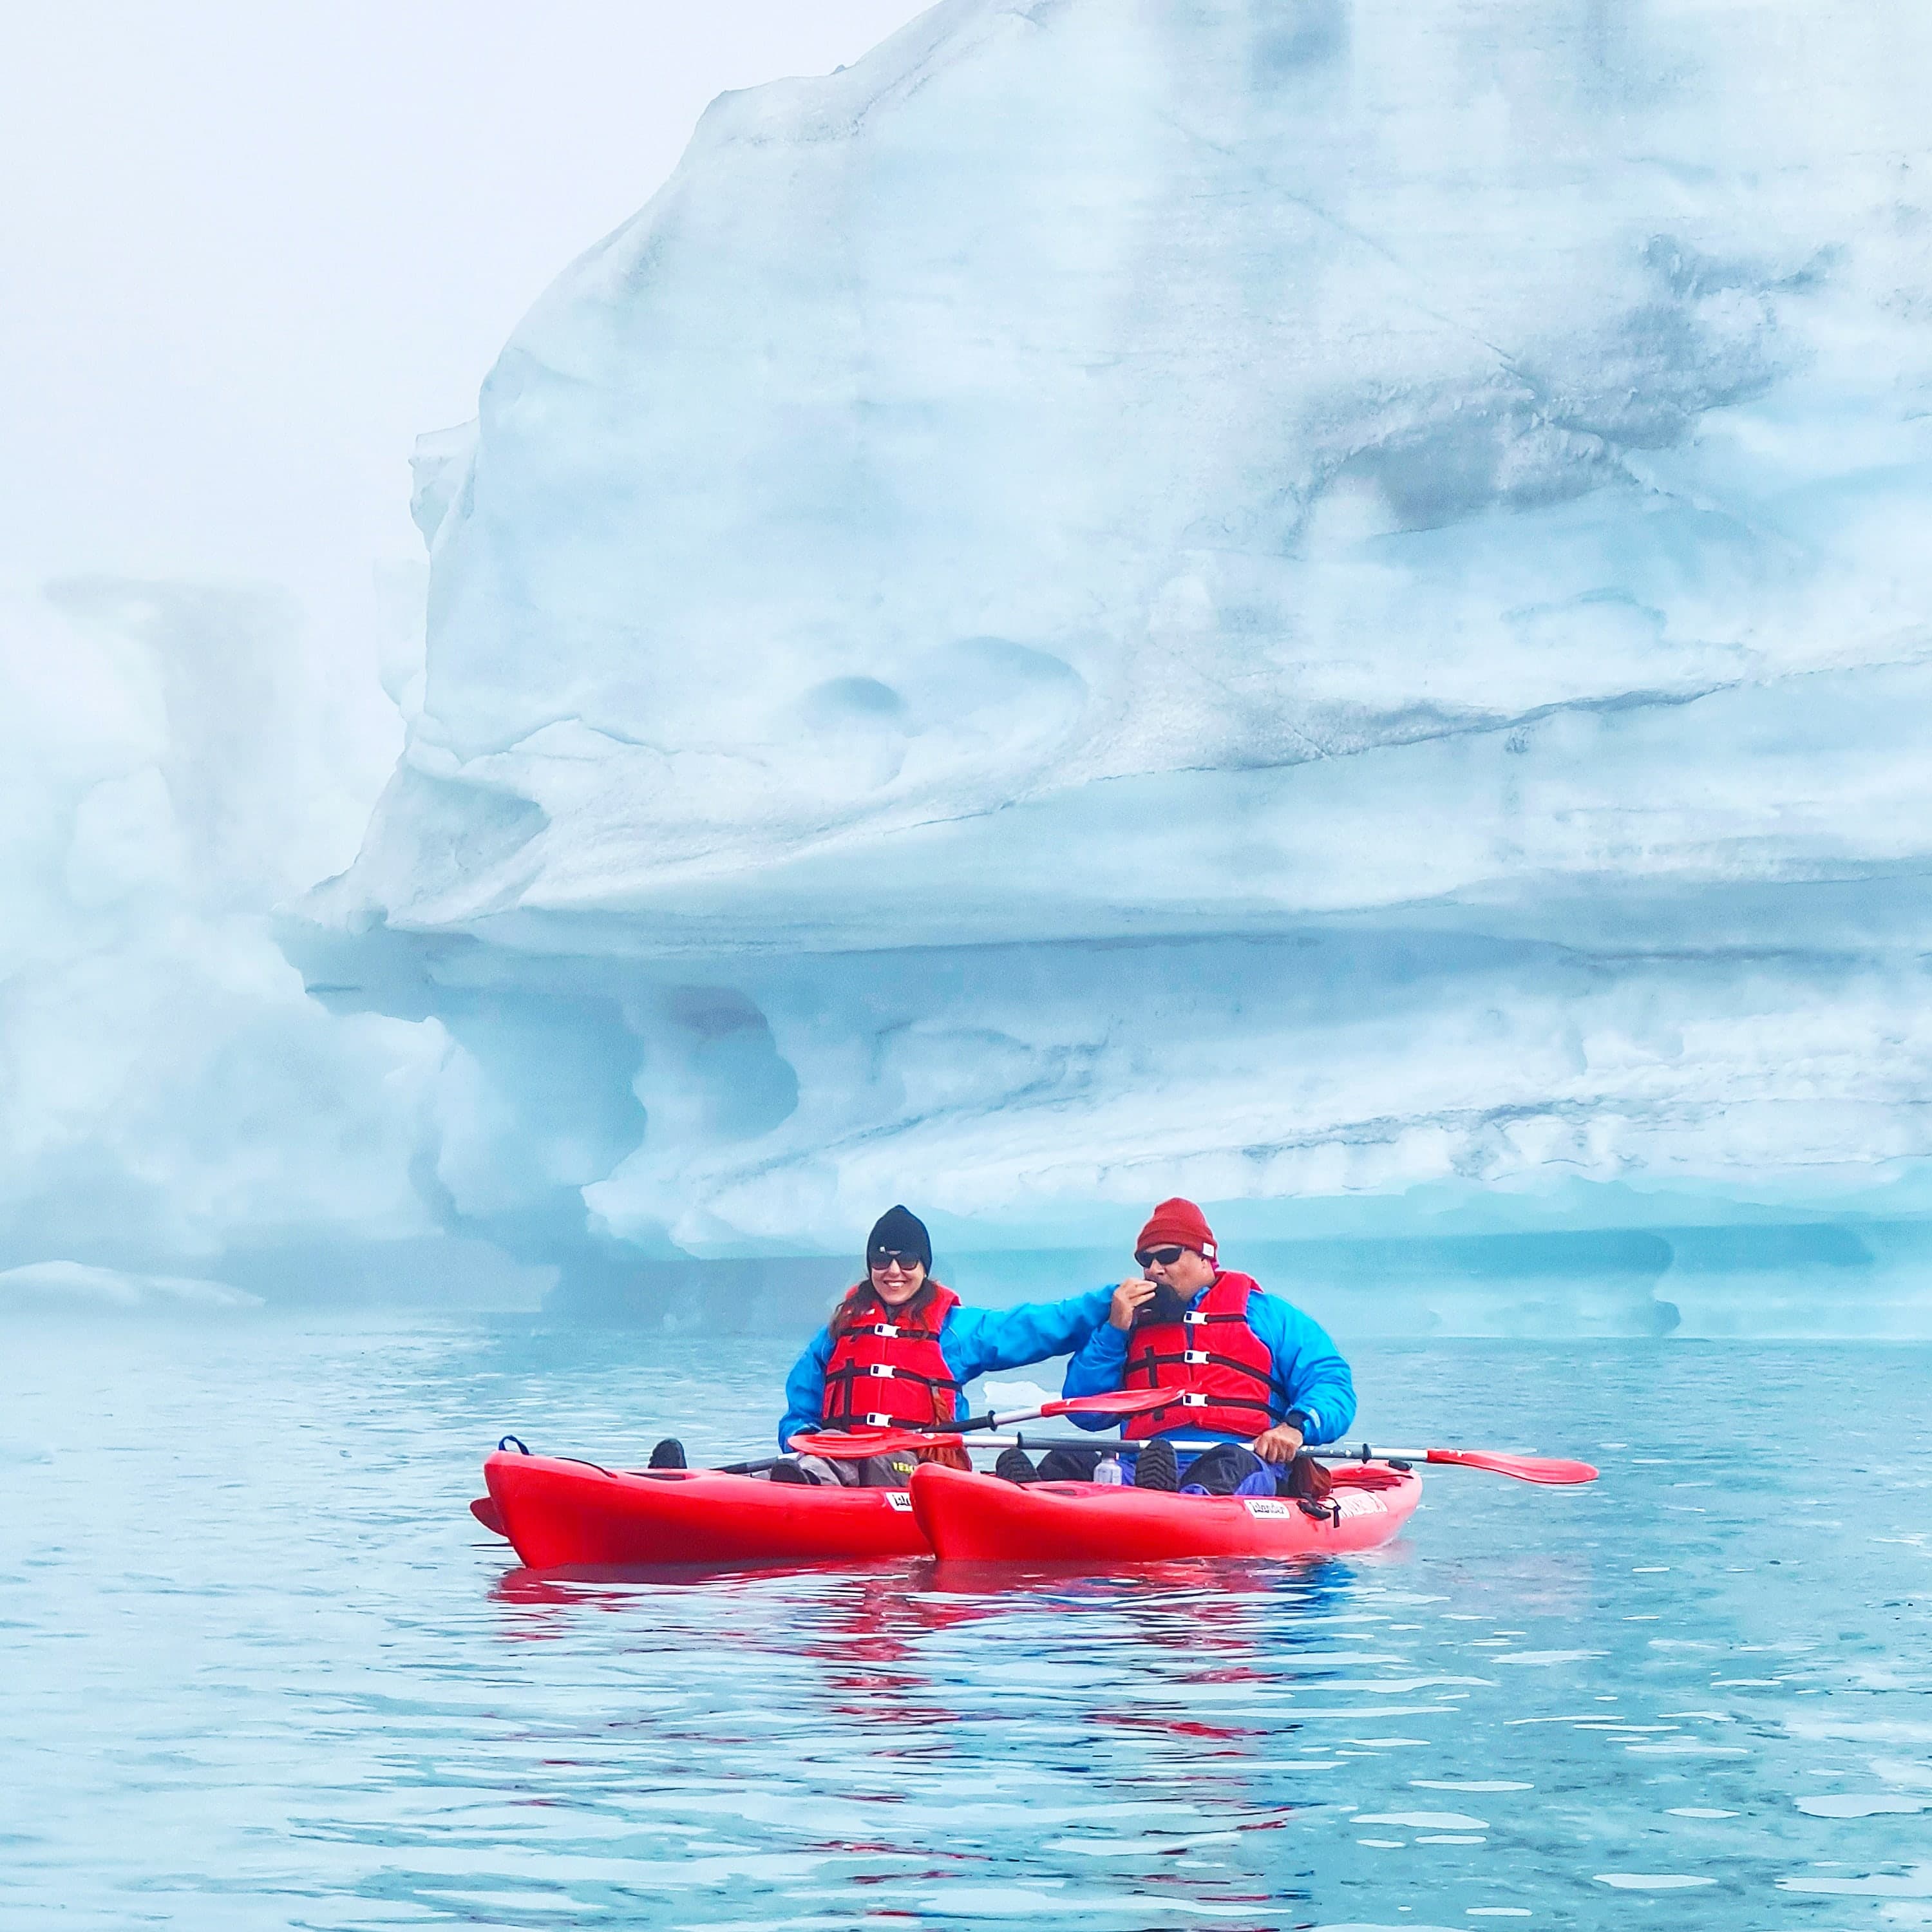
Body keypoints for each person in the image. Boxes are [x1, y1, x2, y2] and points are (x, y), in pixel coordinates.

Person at [753, 1205, 1114, 1487]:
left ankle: (813, 1482)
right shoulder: (839, 1331)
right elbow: (799, 1412)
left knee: (879, 1452)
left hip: (920, 1474)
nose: (893, 1271)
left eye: (906, 1260)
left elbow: (1036, 1326)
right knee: (823, 1450)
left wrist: (1108, 1303)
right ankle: (796, 1484)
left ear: (924, 1266)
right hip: (836, 1462)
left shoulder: (955, 1331)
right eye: (882, 1260)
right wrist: (803, 1443)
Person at [1028, 1197, 1355, 1499]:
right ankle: (1031, 1497)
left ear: (1205, 1258)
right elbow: (1086, 1414)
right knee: (1068, 1460)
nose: (1155, 1269)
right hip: (1140, 1463)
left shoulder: (1269, 1315)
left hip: (1242, 1459)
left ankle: (1174, 1505)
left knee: (1226, 1465)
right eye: (1146, 1259)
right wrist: (1114, 1332)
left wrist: (1295, 1427)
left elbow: (1329, 1381)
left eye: (1168, 1256)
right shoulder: (1127, 1324)